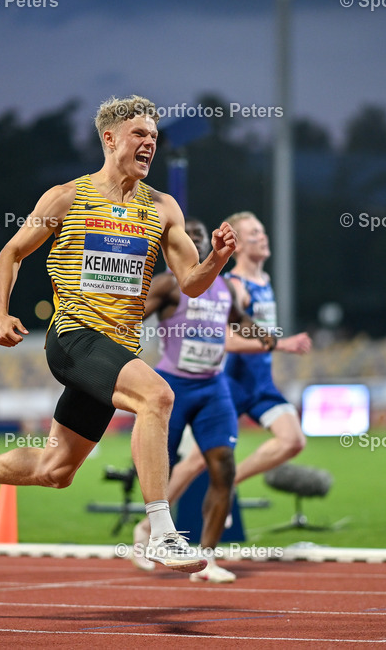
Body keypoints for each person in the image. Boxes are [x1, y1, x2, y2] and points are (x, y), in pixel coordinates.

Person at [0, 95, 236, 573]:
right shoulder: (66, 197)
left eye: (153, 135)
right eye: (139, 134)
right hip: (72, 338)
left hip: (115, 351)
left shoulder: (164, 208)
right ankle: (162, 533)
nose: (149, 142)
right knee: (158, 396)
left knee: (56, 470)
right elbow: (12, 252)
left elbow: (190, 281)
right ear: (109, 140)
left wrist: (215, 258)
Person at [129, 217, 277, 583]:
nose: (193, 242)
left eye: (198, 236)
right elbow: (130, 318)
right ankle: (146, 533)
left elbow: (237, 318)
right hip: (173, 385)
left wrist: (264, 334)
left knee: (223, 468)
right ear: (172, 247)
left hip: (214, 388)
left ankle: (207, 559)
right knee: (159, 466)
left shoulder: (223, 285)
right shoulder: (167, 284)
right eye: (186, 237)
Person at [160, 212, 312, 519]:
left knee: (293, 441)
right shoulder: (233, 285)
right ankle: (150, 524)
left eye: (263, 230)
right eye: (254, 233)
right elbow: (224, 339)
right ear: (238, 245)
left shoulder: (265, 282)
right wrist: (282, 344)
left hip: (261, 383)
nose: (263, 236)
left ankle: (230, 482)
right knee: (196, 462)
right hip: (230, 381)